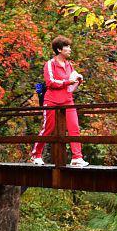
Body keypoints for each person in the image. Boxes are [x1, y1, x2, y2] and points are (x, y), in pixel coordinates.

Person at [30, 36, 87, 167]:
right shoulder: (50, 64)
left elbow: (72, 81)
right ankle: (36, 155)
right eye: (67, 47)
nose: (70, 49)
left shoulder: (69, 65)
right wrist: (67, 82)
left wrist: (78, 80)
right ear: (59, 49)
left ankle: (77, 157)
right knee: (48, 128)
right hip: (52, 100)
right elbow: (50, 82)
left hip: (67, 99)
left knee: (74, 127)